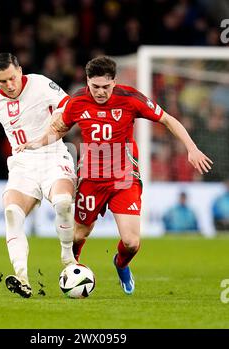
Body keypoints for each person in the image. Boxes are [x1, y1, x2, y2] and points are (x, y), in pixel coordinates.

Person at [16, 56, 213, 295]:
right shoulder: (77, 101)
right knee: (78, 235)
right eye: (95, 86)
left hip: (123, 178)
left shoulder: (130, 98)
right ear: (87, 81)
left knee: (132, 242)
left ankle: (121, 264)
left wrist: (191, 148)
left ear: (114, 82)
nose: (100, 92)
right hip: (91, 177)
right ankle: (71, 272)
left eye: (105, 87)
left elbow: (167, 119)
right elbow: (58, 128)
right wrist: (37, 142)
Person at [0, 53, 77, 298]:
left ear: (20, 71)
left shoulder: (41, 84)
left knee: (62, 202)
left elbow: (70, 106)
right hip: (22, 165)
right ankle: (22, 277)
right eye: (2, 82)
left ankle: (68, 256)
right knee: (12, 213)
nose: (9, 85)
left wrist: (56, 129)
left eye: (12, 78)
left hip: (53, 155)